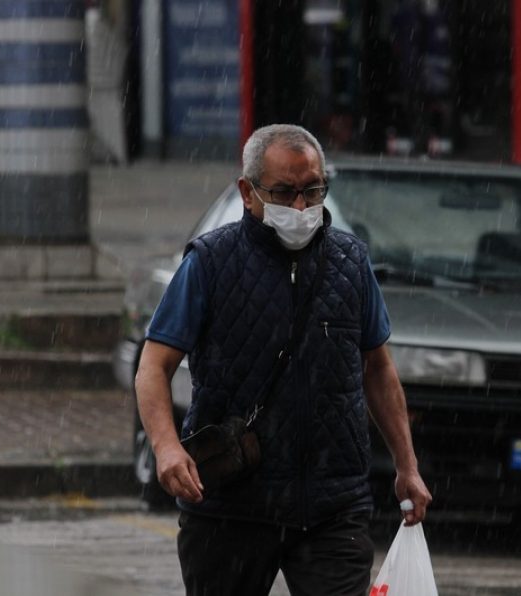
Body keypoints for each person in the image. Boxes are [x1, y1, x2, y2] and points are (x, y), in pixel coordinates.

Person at [135, 124, 432, 596]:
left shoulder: (350, 263)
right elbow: (153, 365)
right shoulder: (209, 263)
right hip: (230, 505)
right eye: (285, 192)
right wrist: (167, 446)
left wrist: (407, 466)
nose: (301, 206)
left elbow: (378, 369)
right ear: (247, 193)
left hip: (332, 507)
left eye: (313, 191)